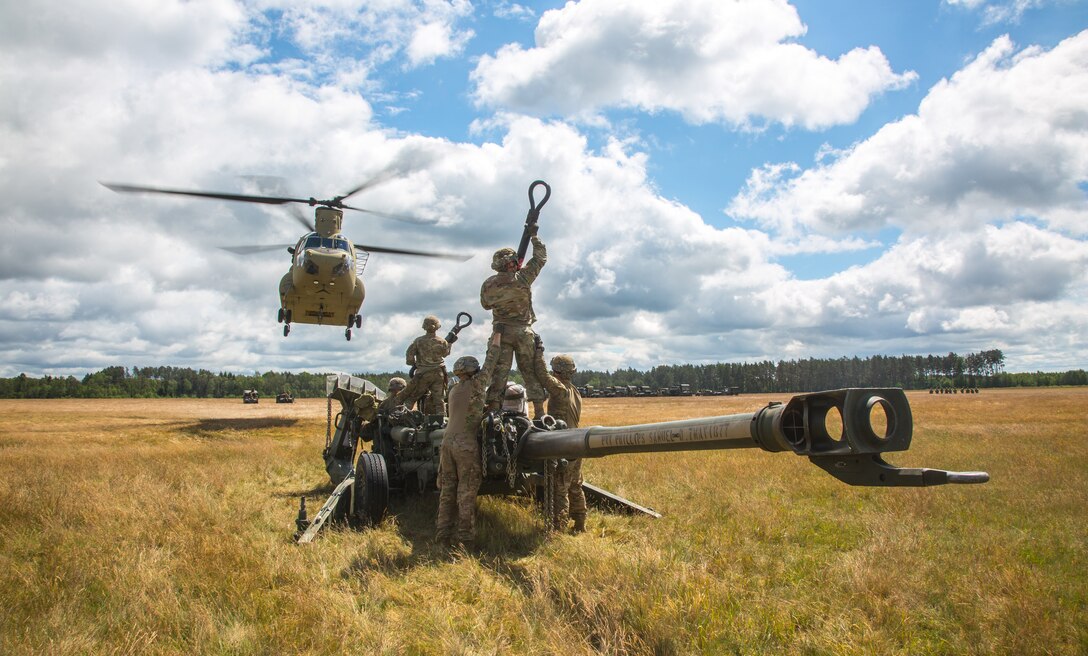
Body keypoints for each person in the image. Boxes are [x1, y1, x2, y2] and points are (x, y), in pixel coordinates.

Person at [480, 232, 548, 417]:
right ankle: (540, 413)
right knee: (529, 371)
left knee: (499, 373)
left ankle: (493, 411)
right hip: (523, 332)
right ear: (513, 263)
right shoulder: (523, 277)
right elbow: (540, 258)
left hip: (500, 333)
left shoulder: (488, 284)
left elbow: (486, 305)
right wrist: (535, 237)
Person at [435, 354, 495, 551]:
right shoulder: (477, 385)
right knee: (466, 492)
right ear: (473, 370)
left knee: (447, 491)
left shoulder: (454, 390)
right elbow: (491, 362)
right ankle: (465, 540)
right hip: (465, 445)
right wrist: (497, 338)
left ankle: (442, 535)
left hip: (447, 443)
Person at [534, 349, 586, 533]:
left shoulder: (560, 389)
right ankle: (580, 523)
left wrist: (538, 352)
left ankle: (559, 527)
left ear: (556, 372)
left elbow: (541, 374)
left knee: (560, 488)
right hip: (577, 443)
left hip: (564, 444)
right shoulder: (574, 390)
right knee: (575, 485)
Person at [398, 315, 451, 416]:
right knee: (439, 400)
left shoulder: (418, 341)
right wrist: (450, 344)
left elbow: (409, 356)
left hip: (423, 374)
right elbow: (445, 354)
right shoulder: (442, 341)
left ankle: (403, 417)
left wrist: (414, 364)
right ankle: (442, 420)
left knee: (413, 397)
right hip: (438, 374)